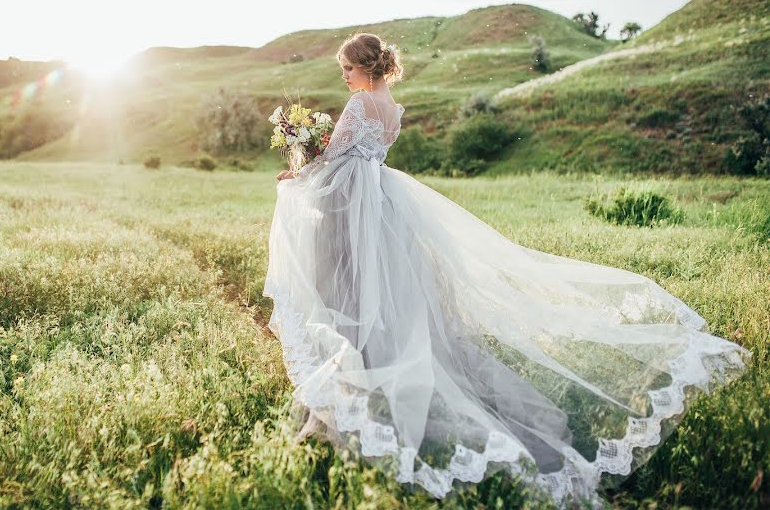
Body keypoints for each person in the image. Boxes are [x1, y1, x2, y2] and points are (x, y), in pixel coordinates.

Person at [262, 32, 752, 508]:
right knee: (387, 293)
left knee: (350, 288)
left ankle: (359, 385)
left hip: (356, 208)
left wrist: (297, 166)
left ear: (367, 67)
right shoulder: (393, 109)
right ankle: (370, 369)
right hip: (384, 205)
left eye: (348, 69)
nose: (345, 78)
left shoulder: (361, 104)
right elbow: (364, 153)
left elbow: (337, 157)